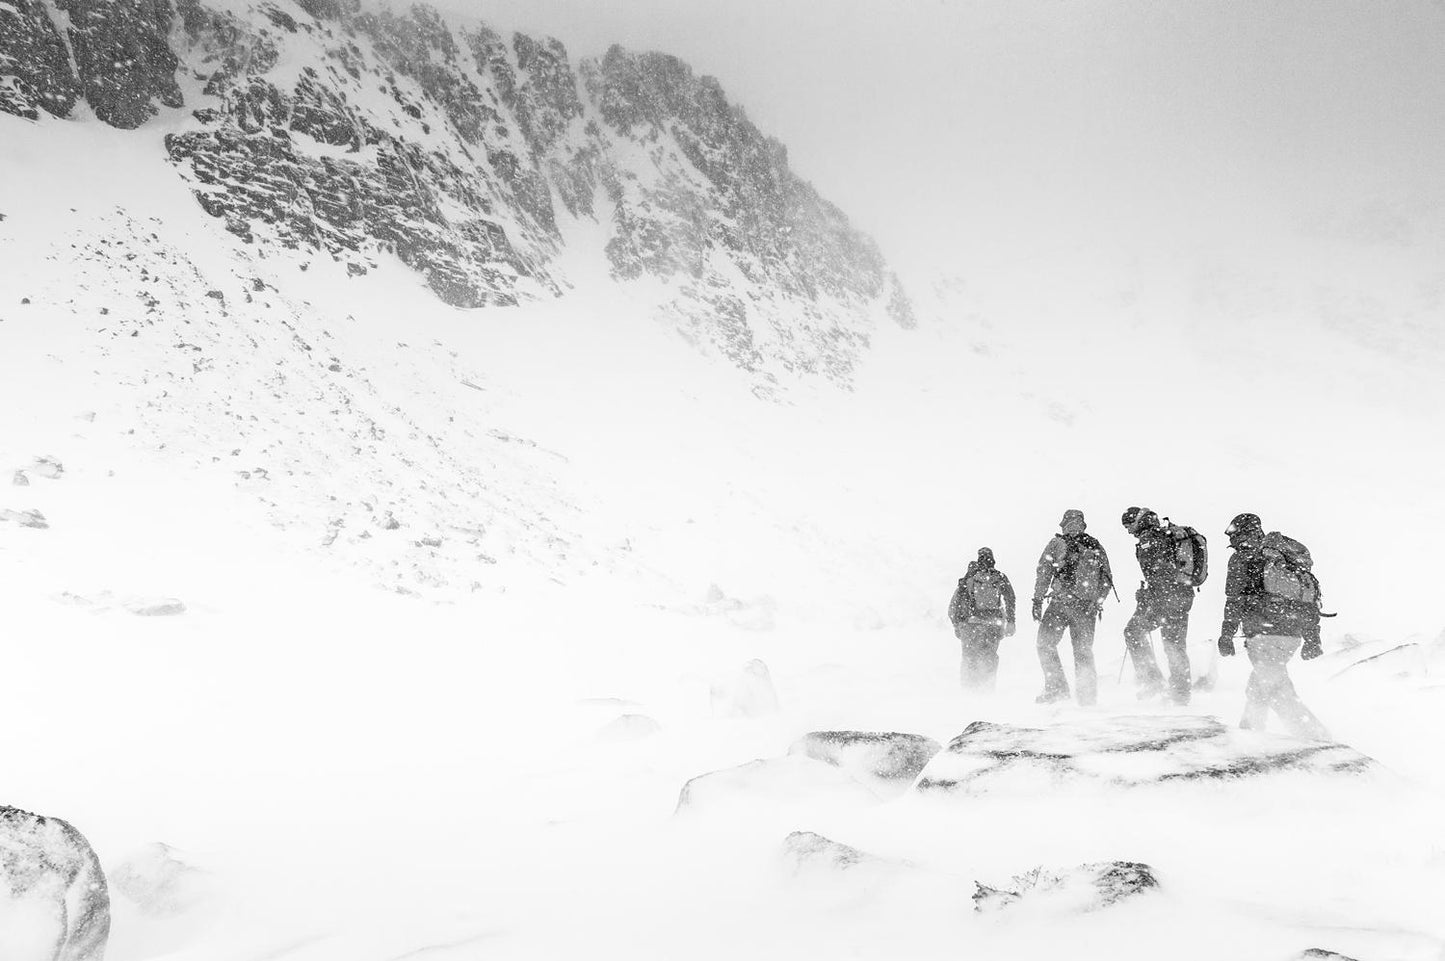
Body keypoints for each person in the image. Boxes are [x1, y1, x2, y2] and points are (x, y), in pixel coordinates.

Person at [1215, 512, 1330, 740]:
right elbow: (1307, 601)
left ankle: (1319, 740)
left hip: (1263, 635)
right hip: (1291, 636)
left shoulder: (1243, 559)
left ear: (1243, 533)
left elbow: (1234, 600)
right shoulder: (1282, 558)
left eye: (1234, 535)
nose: (1231, 540)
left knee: (1279, 692)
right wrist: (1312, 638)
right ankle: (1249, 733)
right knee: (1260, 687)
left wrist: (1226, 634)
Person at [1119, 507, 1206, 705]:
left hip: (1166, 597)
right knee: (1174, 644)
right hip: (1183, 595)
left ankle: (1153, 683)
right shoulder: (1167, 534)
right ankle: (1181, 693)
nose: (1129, 532)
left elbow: (1160, 573)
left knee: (1133, 632)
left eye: (1129, 526)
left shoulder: (1150, 539)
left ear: (1137, 521)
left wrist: (1147, 595)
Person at [1031, 509, 1114, 705]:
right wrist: (1097, 601)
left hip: (1060, 604)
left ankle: (1057, 689)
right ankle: (1087, 697)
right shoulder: (1095, 545)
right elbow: (1107, 579)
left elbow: (1044, 572)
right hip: (1086, 607)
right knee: (1083, 651)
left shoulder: (1056, 543)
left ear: (1064, 524)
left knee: (1045, 644)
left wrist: (1037, 600)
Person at [948, 548, 1016, 691]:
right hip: (993, 625)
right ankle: (987, 689)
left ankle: (968, 690)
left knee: (969, 658)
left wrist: (956, 625)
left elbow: (955, 603)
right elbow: (1010, 598)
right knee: (989, 657)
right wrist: (1010, 621)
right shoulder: (999, 577)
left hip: (970, 624)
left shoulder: (969, 578)